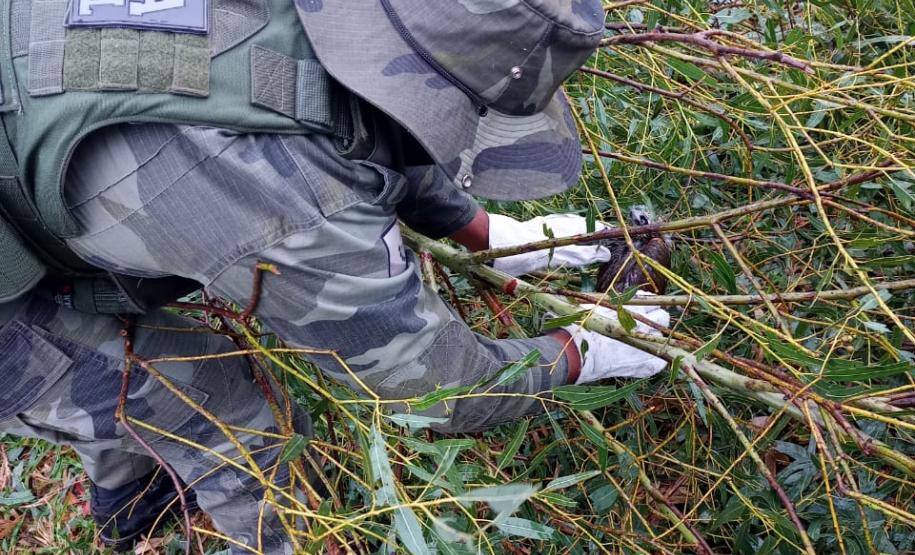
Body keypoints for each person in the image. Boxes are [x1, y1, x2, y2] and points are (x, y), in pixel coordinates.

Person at [0, 0, 669, 552]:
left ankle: (135, 502)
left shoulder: (313, 24)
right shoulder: (295, 201)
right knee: (224, 413)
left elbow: (349, 110)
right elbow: (440, 388)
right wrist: (584, 348)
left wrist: (487, 234)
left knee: (125, 375)